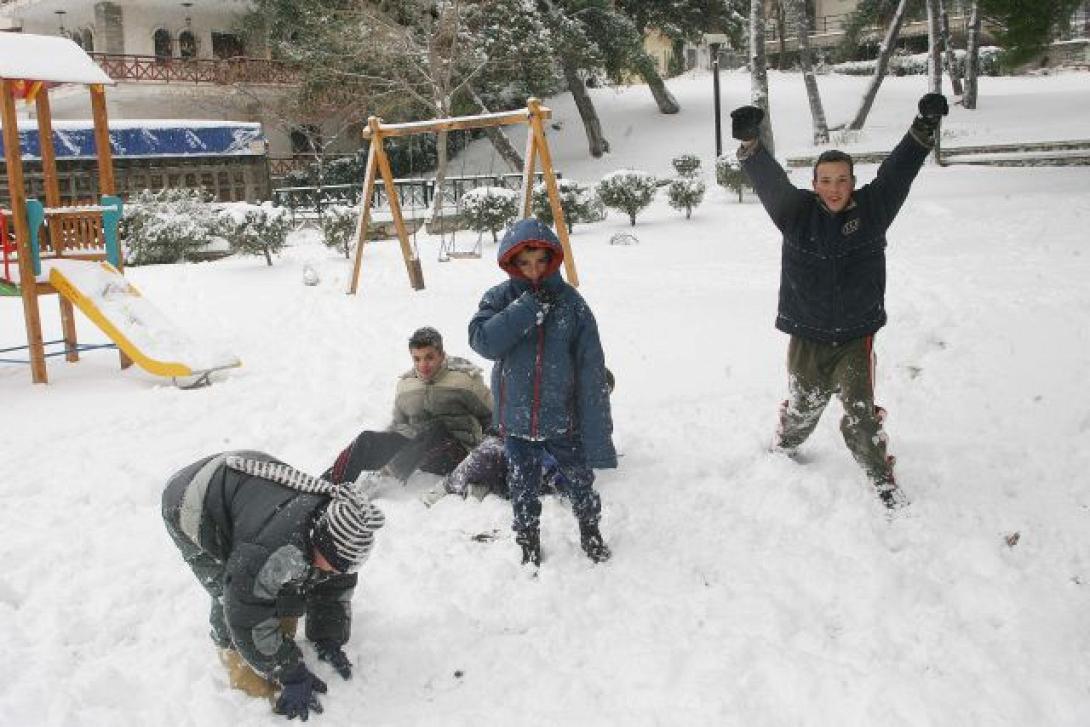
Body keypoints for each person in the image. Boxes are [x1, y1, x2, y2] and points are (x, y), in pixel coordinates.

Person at [730, 93, 950, 510]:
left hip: (854, 337)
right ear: (814, 185)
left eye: (842, 180)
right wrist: (750, 144)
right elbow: (769, 180)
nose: (834, 188)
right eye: (825, 181)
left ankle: (881, 479)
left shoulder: (873, 210)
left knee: (861, 414)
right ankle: (786, 445)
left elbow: (898, 171)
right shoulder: (795, 212)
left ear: (853, 181)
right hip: (807, 335)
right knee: (803, 409)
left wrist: (924, 126)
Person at [162, 451, 385, 720]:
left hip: (245, 483)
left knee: (288, 581)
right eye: (335, 564)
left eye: (345, 567)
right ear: (319, 542)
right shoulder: (268, 551)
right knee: (228, 591)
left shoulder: (337, 529)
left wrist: (328, 636)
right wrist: (288, 671)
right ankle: (234, 657)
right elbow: (245, 612)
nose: (338, 572)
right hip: (191, 501)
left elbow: (332, 584)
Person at [468, 218, 617, 566]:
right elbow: (483, 341)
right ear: (512, 263)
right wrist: (526, 308)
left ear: (551, 258)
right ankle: (528, 540)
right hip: (517, 423)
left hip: (562, 421)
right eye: (524, 263)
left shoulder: (572, 305)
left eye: (539, 262)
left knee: (580, 481)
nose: (533, 271)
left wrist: (597, 436)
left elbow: (590, 371)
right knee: (522, 487)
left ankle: (590, 531)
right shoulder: (501, 298)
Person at [322, 326, 493, 489]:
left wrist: (483, 455)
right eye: (417, 359)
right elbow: (398, 424)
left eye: (429, 357)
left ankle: (387, 481)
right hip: (416, 451)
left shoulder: (464, 381)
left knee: (434, 429)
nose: (423, 365)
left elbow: (492, 416)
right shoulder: (406, 386)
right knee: (367, 439)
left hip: (456, 453)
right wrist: (380, 447)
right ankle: (328, 485)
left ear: (441, 355)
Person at [420, 369, 615, 507]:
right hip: (515, 445)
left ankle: (487, 489)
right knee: (489, 453)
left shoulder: (595, 425)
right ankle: (451, 487)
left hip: (545, 468)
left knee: (532, 473)